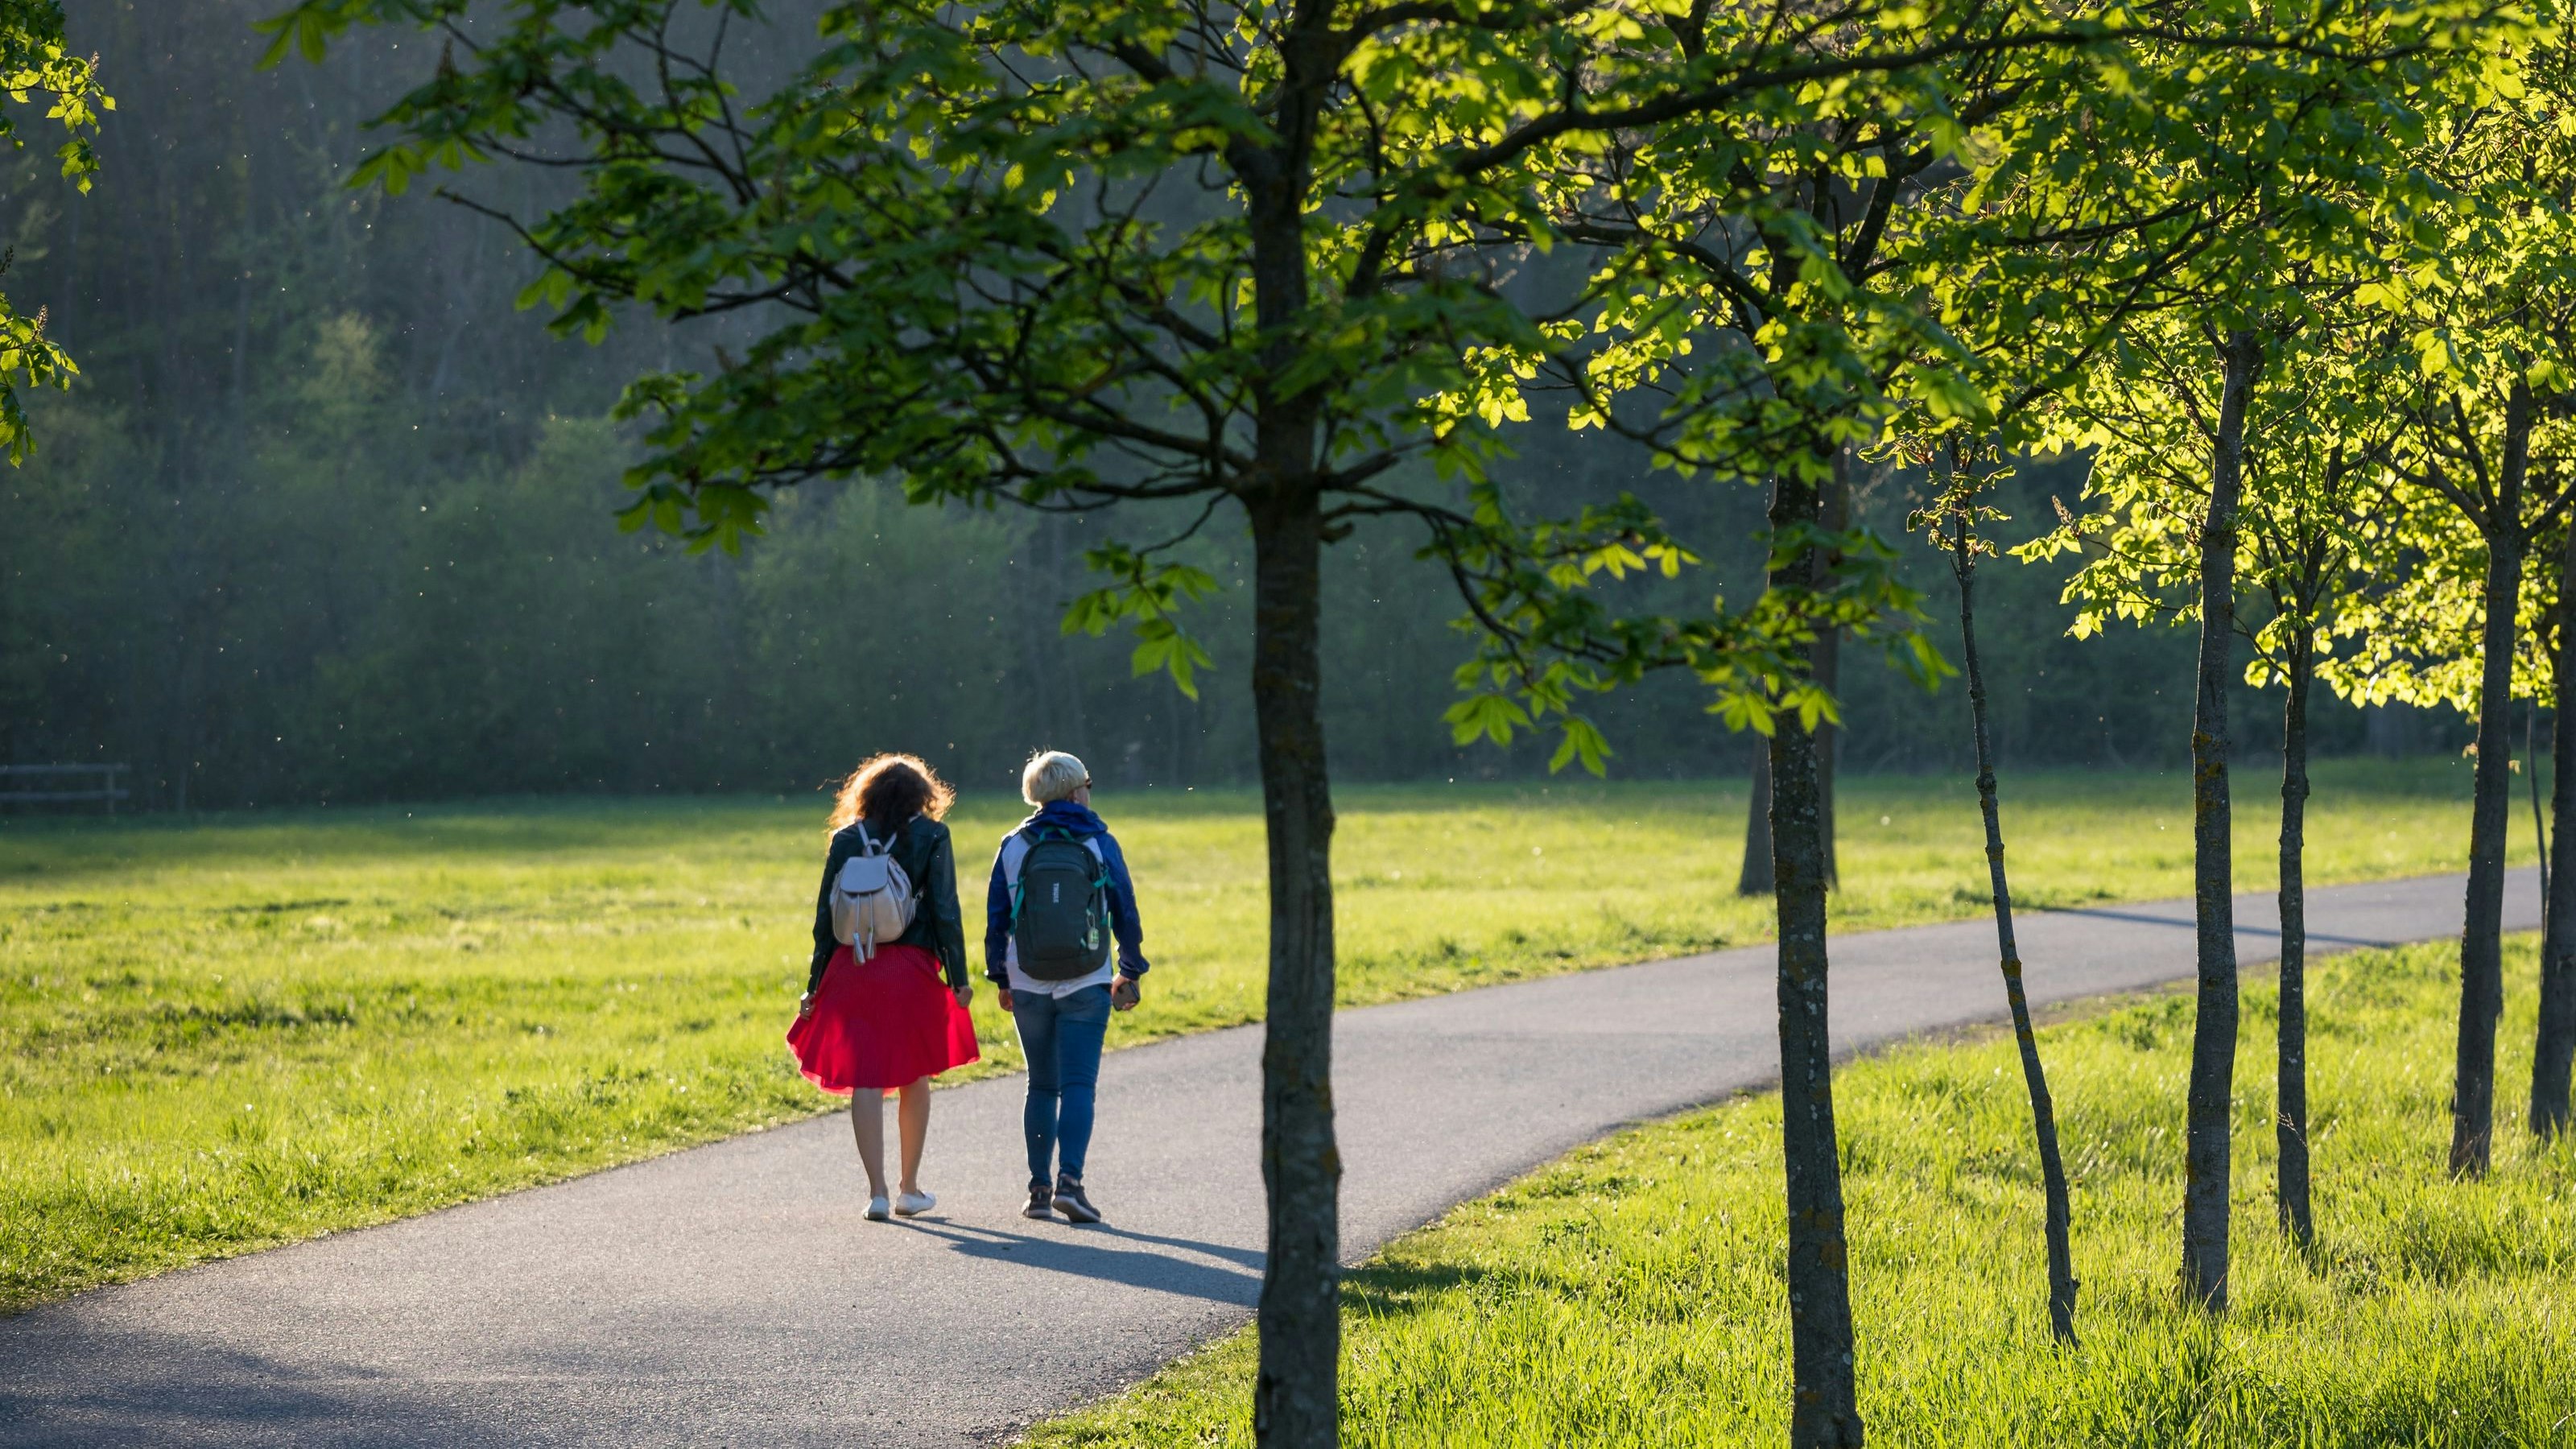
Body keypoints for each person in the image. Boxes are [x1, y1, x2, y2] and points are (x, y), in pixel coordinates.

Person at [788, 753, 979, 1222]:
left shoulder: (846, 839)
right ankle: (909, 1189)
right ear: (923, 796)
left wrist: (814, 985)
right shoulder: (933, 836)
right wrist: (959, 978)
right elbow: (945, 910)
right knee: (915, 1075)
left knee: (866, 1078)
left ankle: (875, 1193)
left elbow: (823, 919)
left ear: (865, 795)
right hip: (911, 969)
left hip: (851, 966)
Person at [987, 750, 1146, 1224]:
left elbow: (997, 918)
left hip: (1027, 979)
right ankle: (1071, 1185)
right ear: (1077, 790)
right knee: (1079, 1084)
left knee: (1041, 1085)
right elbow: (1125, 908)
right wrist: (1131, 970)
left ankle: (1038, 1191)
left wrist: (1001, 976)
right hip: (1087, 977)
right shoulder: (1098, 839)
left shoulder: (1013, 844)